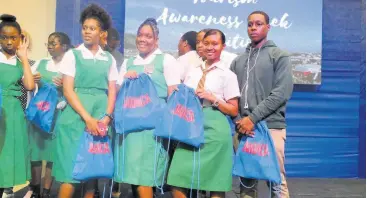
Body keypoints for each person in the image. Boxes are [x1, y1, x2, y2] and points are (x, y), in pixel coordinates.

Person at [52, 4, 118, 198]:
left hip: (100, 115)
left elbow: (112, 89)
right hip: (75, 117)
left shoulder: (109, 59)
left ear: (102, 32)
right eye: (85, 28)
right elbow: (67, 89)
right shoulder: (73, 55)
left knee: (91, 172)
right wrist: (87, 118)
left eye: (92, 28)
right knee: (70, 173)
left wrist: (106, 116)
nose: (87, 32)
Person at [167, 29, 240, 198]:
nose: (210, 47)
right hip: (190, 127)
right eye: (206, 43)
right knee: (176, 178)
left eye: (215, 44)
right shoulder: (193, 71)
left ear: (223, 46)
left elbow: (233, 109)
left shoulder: (228, 75)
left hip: (215, 128)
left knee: (215, 183)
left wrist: (213, 98)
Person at [230, 11, 293, 198]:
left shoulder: (279, 56)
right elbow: (231, 97)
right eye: (250, 24)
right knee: (246, 183)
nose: (253, 28)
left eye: (258, 24)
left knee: (276, 182)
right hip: (244, 130)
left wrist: (253, 118)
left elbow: (281, 93)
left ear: (268, 27)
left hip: (271, 127)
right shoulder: (238, 61)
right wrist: (240, 121)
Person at [115, 18, 180, 198]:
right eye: (140, 35)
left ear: (156, 40)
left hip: (153, 126)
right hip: (131, 125)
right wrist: (126, 79)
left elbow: (173, 93)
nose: (143, 39)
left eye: (148, 36)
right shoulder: (129, 62)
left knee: (146, 175)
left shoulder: (166, 60)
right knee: (133, 173)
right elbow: (117, 92)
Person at [26, 32, 72, 198]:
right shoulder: (41, 63)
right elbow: (26, 81)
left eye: (54, 43)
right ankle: (35, 189)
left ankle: (46, 191)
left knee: (52, 155)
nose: (50, 46)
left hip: (58, 115)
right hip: (40, 114)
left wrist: (65, 87)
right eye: (48, 43)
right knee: (36, 153)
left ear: (64, 46)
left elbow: (77, 90)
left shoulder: (70, 66)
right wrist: (34, 79)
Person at [0, 14, 35, 196]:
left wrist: (24, 57)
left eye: (13, 37)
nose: (8, 41)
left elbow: (29, 85)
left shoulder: (20, 62)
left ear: (20, 38)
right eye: (4, 37)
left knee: (9, 155)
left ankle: (7, 190)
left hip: (13, 113)